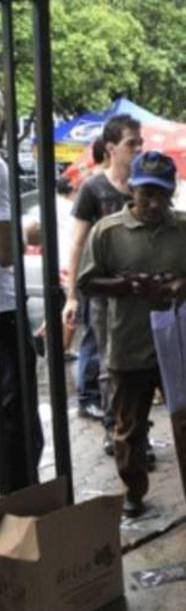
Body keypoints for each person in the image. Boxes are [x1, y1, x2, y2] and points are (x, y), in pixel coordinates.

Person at [76, 150, 186, 543]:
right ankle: (134, 489)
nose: (153, 204)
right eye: (146, 195)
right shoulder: (108, 231)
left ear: (172, 193)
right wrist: (130, 286)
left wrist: (182, 284)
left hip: (177, 343)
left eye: (161, 195)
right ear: (131, 190)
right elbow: (87, 283)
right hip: (128, 346)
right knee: (129, 430)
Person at [63, 115, 142, 455]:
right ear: (110, 148)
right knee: (111, 362)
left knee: (141, 364)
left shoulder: (142, 185)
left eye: (139, 142)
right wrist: (71, 295)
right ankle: (115, 429)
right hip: (104, 292)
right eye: (131, 143)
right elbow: (77, 243)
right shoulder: (93, 189)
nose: (138, 149)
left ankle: (135, 429)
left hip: (140, 293)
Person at [0, 155, 43, 494]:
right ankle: (19, 510)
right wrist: (23, 233)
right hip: (3, 312)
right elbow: (4, 250)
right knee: (17, 424)